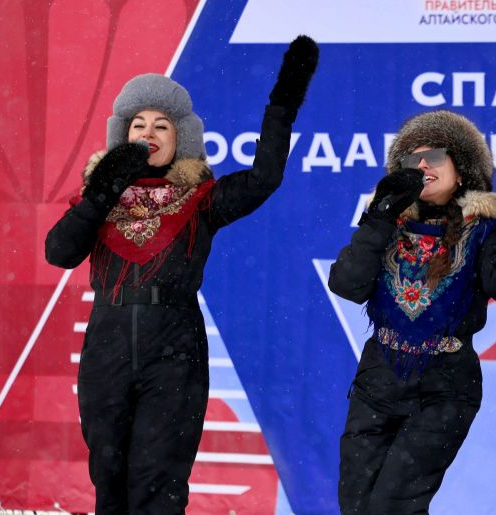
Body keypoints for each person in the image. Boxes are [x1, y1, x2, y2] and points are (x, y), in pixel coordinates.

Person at [45, 36, 318, 514]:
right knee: (109, 480)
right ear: (122, 135)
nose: (148, 132)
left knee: (157, 481)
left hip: (173, 350)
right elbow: (60, 252)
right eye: (138, 124)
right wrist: (105, 187)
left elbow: (263, 180)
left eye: (162, 125)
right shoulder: (98, 197)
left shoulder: (201, 199)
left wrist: (283, 104)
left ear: (180, 138)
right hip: (107, 346)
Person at [329, 110, 496, 514]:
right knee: (356, 505)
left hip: (444, 388)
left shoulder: (482, 230)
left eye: (433, 156)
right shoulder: (386, 223)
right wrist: (378, 219)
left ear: (461, 172)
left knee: (393, 506)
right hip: (378, 382)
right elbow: (347, 284)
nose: (421, 165)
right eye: (411, 159)